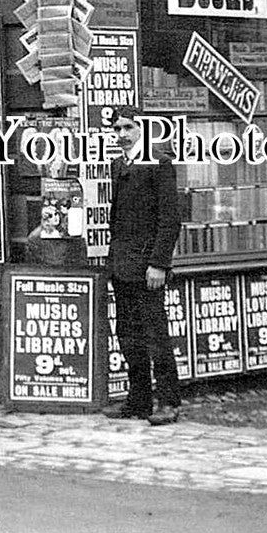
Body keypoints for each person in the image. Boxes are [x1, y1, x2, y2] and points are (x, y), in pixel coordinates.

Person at [104, 105, 182, 426]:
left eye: (128, 128)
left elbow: (170, 220)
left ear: (142, 130)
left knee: (155, 335)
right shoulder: (119, 165)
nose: (122, 135)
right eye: (117, 129)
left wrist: (159, 263)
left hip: (148, 267)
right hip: (122, 265)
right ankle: (138, 401)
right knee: (128, 334)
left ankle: (168, 402)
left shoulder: (159, 164)